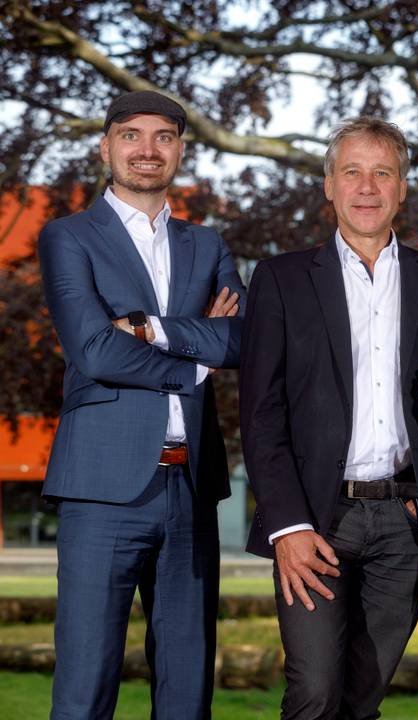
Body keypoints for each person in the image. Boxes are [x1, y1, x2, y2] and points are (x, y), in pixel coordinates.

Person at [239, 116, 418, 719]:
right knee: (314, 690)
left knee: (364, 699)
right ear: (329, 186)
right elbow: (260, 413)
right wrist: (286, 526)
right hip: (316, 520)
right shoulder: (281, 279)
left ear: (403, 187)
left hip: (403, 520)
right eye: (352, 173)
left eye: (382, 173)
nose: (367, 187)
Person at [36, 89, 246, 719]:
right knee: (85, 688)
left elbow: (243, 337)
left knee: (186, 693)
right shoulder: (68, 237)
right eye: (131, 135)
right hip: (102, 489)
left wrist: (152, 329)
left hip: (190, 487)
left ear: (180, 150)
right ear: (106, 147)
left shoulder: (206, 246)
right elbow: (96, 351)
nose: (147, 149)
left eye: (163, 137)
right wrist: (198, 358)